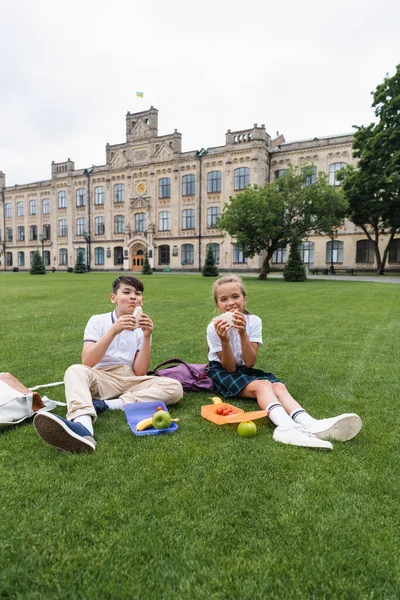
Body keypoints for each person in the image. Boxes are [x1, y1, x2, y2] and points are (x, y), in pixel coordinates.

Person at [206, 275, 362, 451]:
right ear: (217, 306)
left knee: (278, 386)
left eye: (236, 296)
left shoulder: (254, 321)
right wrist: (224, 340)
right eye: (224, 299)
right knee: (263, 385)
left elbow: (249, 363)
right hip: (222, 371)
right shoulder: (214, 328)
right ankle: (286, 427)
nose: (231, 303)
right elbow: (230, 368)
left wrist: (243, 333)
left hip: (243, 369)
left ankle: (310, 423)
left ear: (244, 299)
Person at [34, 275, 183, 453]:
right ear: (114, 298)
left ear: (142, 300)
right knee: (74, 371)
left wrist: (147, 336)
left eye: (137, 293)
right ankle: (84, 428)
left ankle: (107, 405)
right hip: (101, 378)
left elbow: (140, 371)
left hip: (129, 379)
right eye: (126, 292)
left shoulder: (142, 327)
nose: (133, 297)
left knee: (175, 388)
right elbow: (88, 362)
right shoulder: (97, 321)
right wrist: (113, 331)